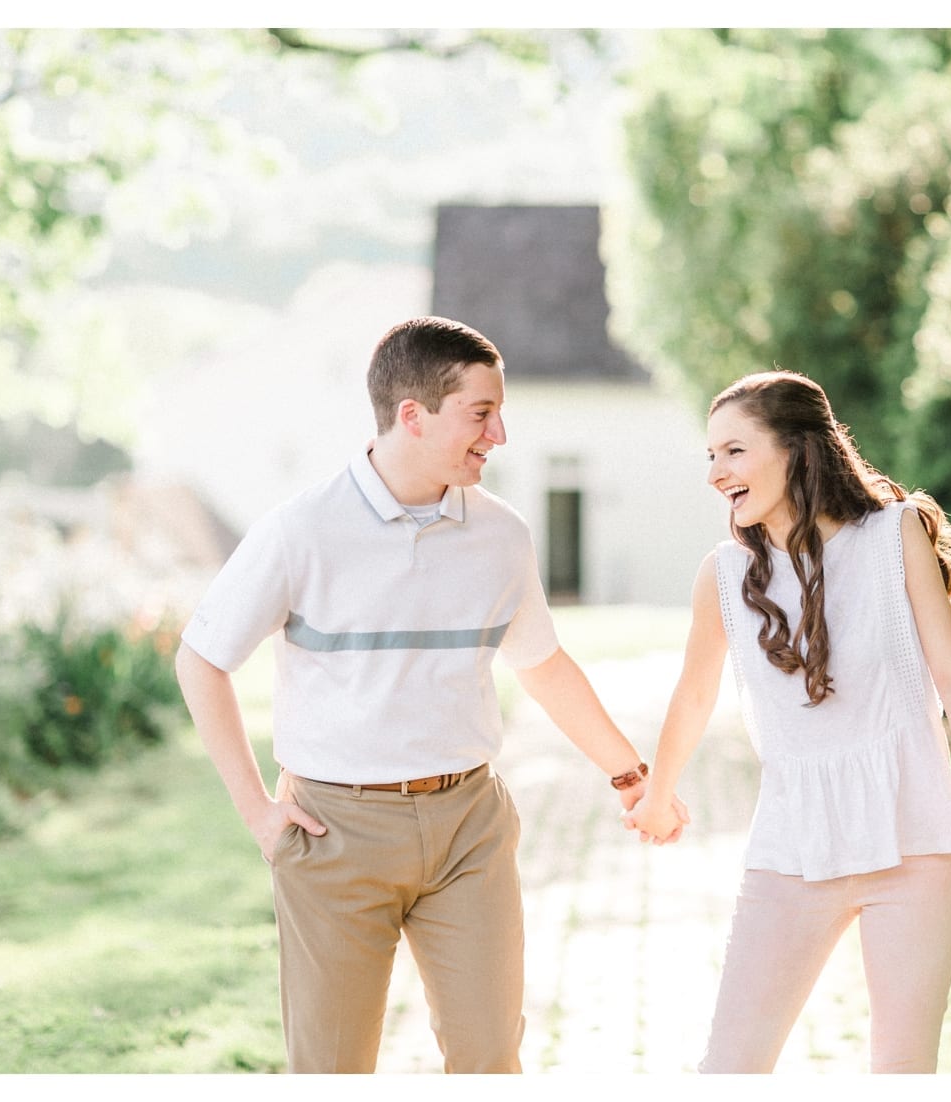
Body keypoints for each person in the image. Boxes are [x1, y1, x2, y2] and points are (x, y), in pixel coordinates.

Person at [175, 316, 682, 1074]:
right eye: (481, 413)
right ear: (411, 415)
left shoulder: (500, 535)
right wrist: (258, 814)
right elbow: (200, 660)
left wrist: (631, 775)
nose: (499, 434)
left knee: (488, 1061)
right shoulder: (302, 531)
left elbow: (544, 665)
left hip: (467, 827)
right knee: (333, 1068)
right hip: (334, 832)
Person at [625, 369, 951, 1074]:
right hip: (791, 855)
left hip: (917, 849)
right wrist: (657, 795)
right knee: (729, 1068)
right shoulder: (722, 575)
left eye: (734, 451)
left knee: (902, 1071)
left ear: (797, 450)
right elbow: (692, 696)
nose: (717, 473)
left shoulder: (893, 535)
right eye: (711, 456)